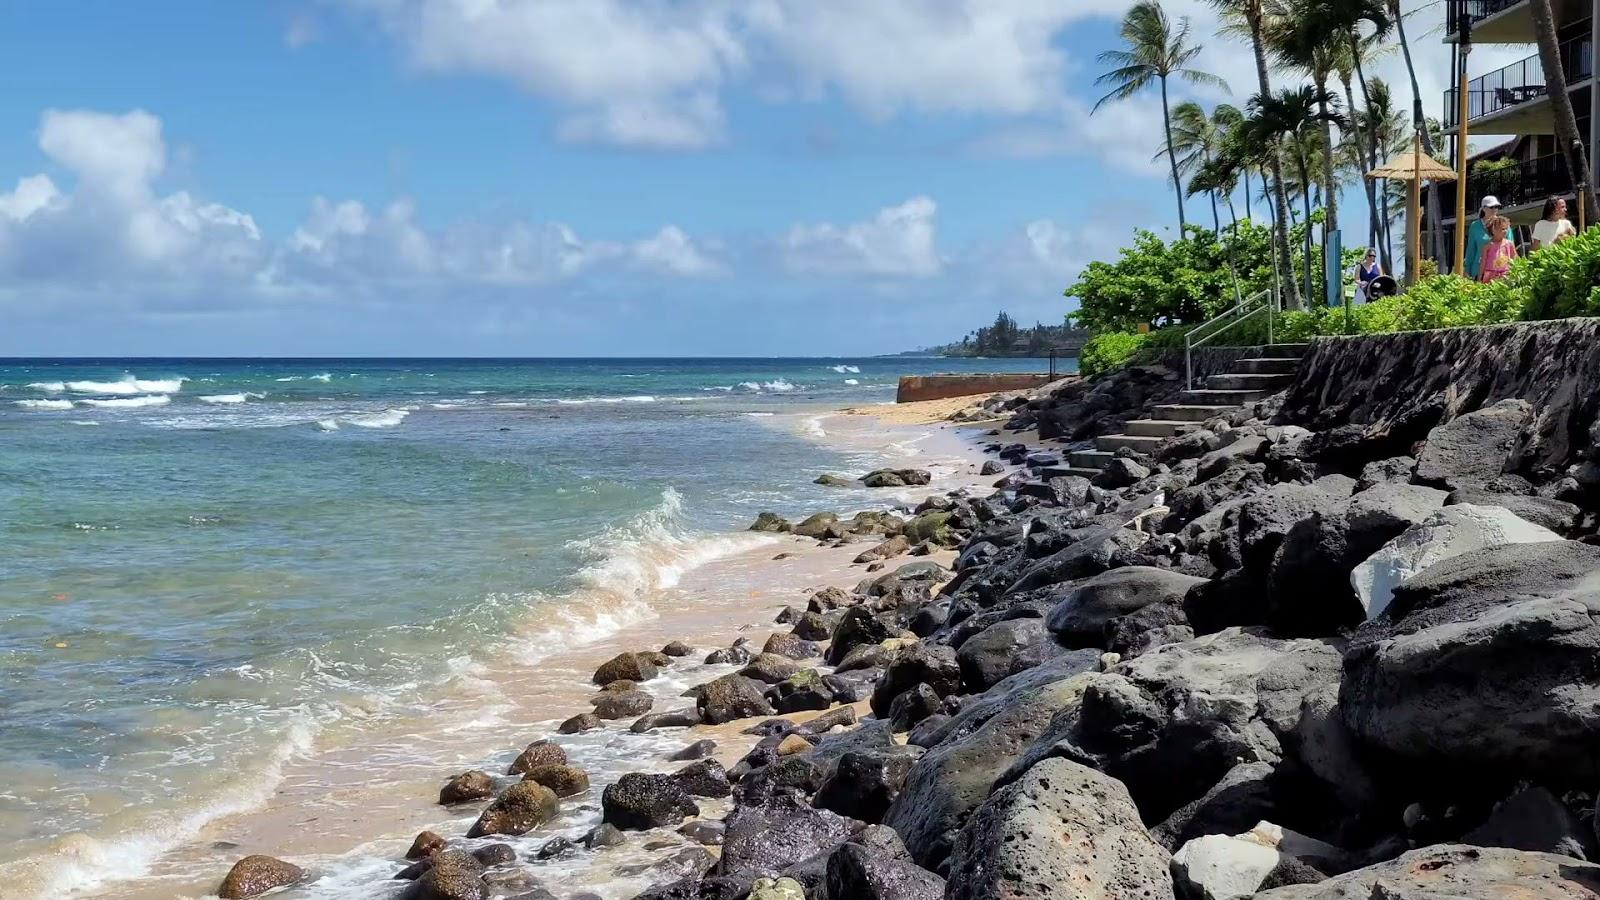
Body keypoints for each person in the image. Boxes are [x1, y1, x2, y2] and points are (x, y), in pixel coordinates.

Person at [1463, 195, 1500, 280]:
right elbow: (1471, 250)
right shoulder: (1474, 226)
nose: (1494, 209)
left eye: (1496, 207)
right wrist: (1467, 270)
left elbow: (1510, 245)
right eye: (1491, 207)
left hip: (1499, 271)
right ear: (1483, 208)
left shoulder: (1504, 225)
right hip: (1478, 271)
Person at [1477, 215, 1517, 283]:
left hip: (1505, 274)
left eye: (1506, 229)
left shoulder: (1509, 244)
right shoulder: (1488, 246)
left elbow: (1515, 257)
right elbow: (1483, 261)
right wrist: (1480, 276)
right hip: (1490, 275)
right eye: (1502, 229)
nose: (1505, 231)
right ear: (1493, 230)